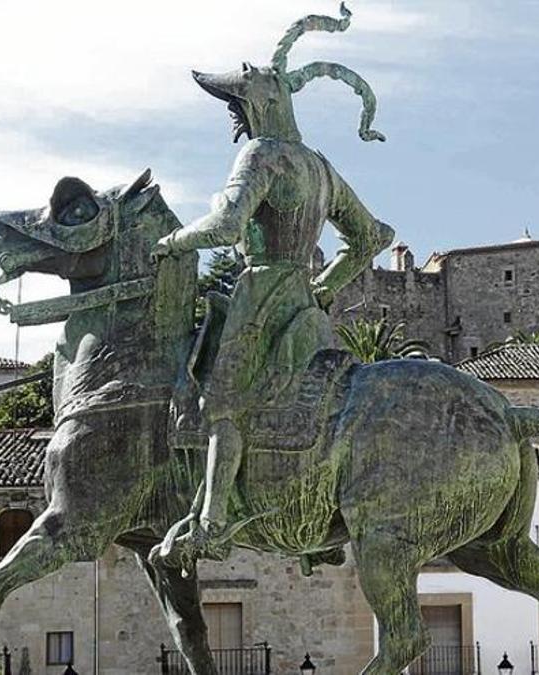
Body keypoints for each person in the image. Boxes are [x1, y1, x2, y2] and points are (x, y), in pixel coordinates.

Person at [151, 4, 393, 565]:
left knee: (223, 407)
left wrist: (169, 245)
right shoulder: (321, 167)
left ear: (255, 105)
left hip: (259, 297)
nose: (239, 119)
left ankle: (211, 521)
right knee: (310, 411)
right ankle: (311, 529)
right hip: (305, 304)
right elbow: (373, 237)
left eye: (238, 107)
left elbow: (227, 226)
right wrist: (324, 287)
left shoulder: (260, 155)